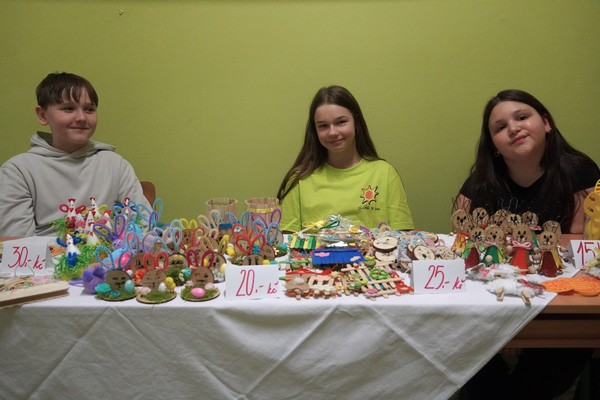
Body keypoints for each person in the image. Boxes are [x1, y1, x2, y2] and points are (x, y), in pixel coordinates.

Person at [455, 89, 600, 399]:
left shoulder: (579, 171)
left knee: (564, 350)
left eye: (522, 117)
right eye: (500, 127)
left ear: (546, 123)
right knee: (457, 342)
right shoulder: (482, 181)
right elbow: (462, 236)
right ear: (493, 145)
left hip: (560, 300)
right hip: (493, 302)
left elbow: (587, 239)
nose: (514, 128)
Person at [0, 72, 150, 237]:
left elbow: (145, 226)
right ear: (42, 115)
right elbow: (17, 243)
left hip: (108, 252)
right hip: (47, 253)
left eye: (89, 109)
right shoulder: (18, 171)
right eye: (68, 108)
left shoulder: (116, 165)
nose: (81, 117)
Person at [276, 85, 414, 233]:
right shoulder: (299, 180)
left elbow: (403, 238)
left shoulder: (385, 174)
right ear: (315, 131)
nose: (332, 132)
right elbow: (286, 241)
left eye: (341, 122)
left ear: (356, 122)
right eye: (323, 126)